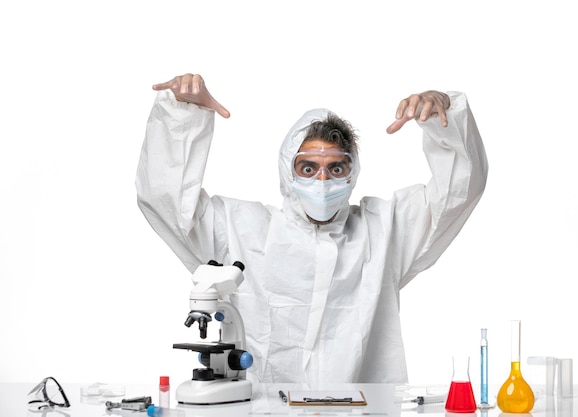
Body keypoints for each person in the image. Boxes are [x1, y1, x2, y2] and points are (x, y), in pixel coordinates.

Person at [136, 73, 488, 384]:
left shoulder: (385, 230)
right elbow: (167, 203)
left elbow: (460, 192)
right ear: (288, 174)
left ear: (352, 174)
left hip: (364, 409)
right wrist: (183, 115)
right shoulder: (242, 229)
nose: (322, 181)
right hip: (262, 408)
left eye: (336, 169)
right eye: (308, 168)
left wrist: (445, 119)